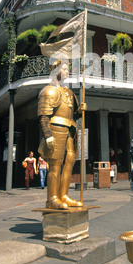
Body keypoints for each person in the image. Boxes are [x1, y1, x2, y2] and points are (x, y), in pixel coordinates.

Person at [38, 59, 86, 209]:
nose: (66, 72)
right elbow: (44, 116)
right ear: (56, 70)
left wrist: (80, 110)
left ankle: (64, 195)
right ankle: (52, 198)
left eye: (67, 69)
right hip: (56, 128)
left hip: (70, 129)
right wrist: (48, 135)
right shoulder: (49, 91)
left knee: (69, 162)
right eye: (64, 69)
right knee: (55, 163)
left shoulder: (69, 92)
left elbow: (72, 115)